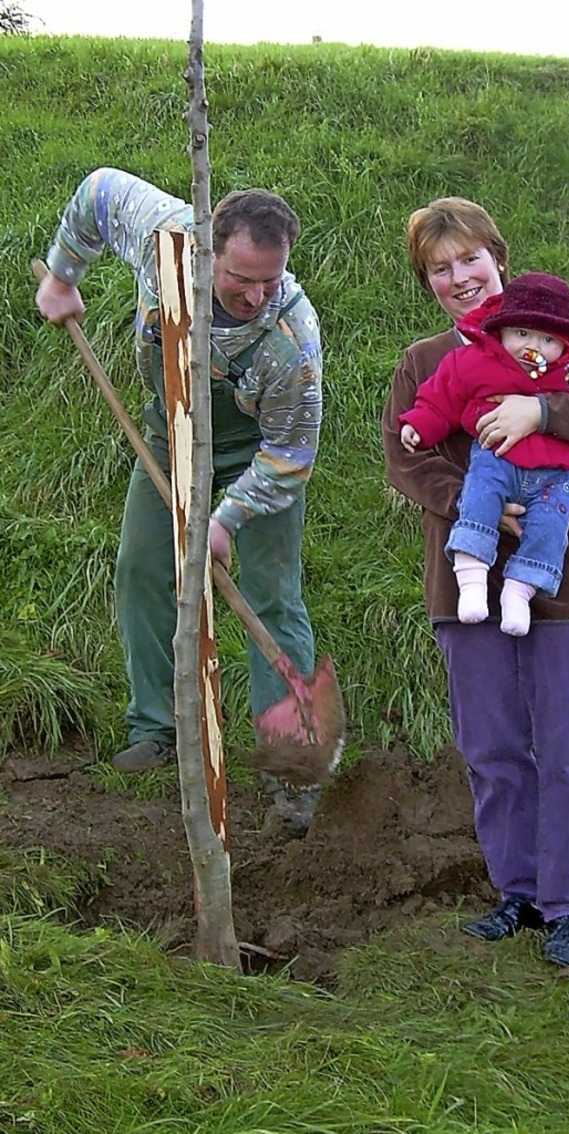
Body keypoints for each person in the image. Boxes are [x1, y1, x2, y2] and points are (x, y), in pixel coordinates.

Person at [382, 196, 569, 967]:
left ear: (499, 257)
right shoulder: (424, 362)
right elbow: (406, 457)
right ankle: (516, 892)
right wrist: (479, 511)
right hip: (466, 582)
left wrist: (542, 409)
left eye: (470, 259)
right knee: (491, 746)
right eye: (440, 268)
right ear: (427, 282)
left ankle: (568, 905)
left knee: (568, 745)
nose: (460, 278)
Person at [36, 167, 323, 828]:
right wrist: (62, 275)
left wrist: (226, 520)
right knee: (142, 567)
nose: (254, 295)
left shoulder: (291, 339)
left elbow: (290, 456)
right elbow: (96, 192)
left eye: (268, 281)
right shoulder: (161, 232)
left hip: (255, 452)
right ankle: (156, 729)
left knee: (270, 597)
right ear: (207, 248)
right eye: (239, 278)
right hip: (172, 427)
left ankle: (292, 773)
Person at [398, 272, 569, 636]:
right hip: (496, 459)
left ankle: (520, 590)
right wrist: (419, 425)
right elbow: (441, 398)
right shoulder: (475, 358)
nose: (533, 347)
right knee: (481, 491)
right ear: (502, 329)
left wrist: (543, 412)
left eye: (547, 339)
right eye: (522, 334)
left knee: (549, 526)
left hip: (556, 476)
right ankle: (472, 579)